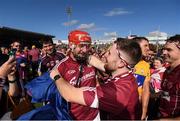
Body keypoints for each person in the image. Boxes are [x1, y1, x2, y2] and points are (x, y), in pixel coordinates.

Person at [50, 38, 142, 120]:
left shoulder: (117, 92)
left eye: (109, 53)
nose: (104, 55)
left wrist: (56, 76)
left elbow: (70, 95)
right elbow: (104, 66)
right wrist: (83, 54)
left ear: (121, 63)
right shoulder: (127, 75)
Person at [54, 30, 99, 120]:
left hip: (95, 115)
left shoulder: (92, 61)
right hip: (74, 117)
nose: (85, 50)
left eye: (88, 46)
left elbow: (96, 82)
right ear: (71, 45)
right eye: (81, 46)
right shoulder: (61, 67)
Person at [157, 35, 180, 119]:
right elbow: (168, 94)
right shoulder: (167, 70)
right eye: (164, 49)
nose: (164, 53)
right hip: (161, 114)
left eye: (169, 50)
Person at [132, 37, 151, 120]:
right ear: (136, 47)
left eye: (148, 46)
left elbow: (146, 90)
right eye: (145, 46)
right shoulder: (122, 62)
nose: (148, 48)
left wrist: (144, 111)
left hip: (137, 109)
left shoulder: (146, 65)